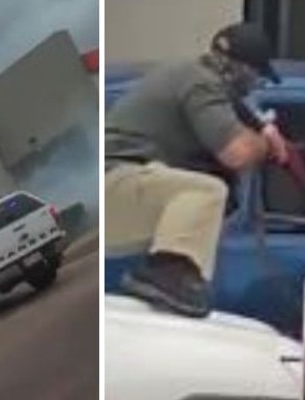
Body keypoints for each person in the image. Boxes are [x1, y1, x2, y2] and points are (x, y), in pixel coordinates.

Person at [105, 23, 291, 318]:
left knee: (204, 197)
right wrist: (267, 143)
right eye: (257, 76)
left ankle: (177, 279)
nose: (255, 85)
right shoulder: (200, 82)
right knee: (205, 190)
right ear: (241, 67)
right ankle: (166, 273)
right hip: (114, 182)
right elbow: (237, 153)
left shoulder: (189, 75)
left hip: (122, 189)